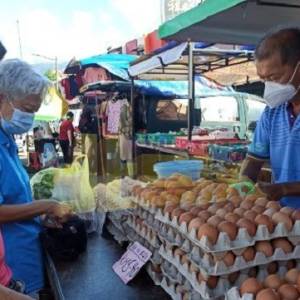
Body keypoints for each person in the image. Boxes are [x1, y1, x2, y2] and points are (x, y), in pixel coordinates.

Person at [0, 59, 72, 296]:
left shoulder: (6, 141)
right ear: (2, 97)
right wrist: (46, 206)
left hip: (28, 256)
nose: (30, 119)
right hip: (12, 268)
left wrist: (40, 217)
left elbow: (15, 199)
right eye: (28, 109)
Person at [240, 27, 300, 207]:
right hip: (283, 218)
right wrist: (244, 182)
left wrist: (283, 189)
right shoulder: (272, 112)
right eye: (264, 79)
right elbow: (254, 158)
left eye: (274, 77)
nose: (269, 87)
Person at [118, 99, 133, 177]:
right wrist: (129, 133)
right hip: (125, 135)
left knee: (127, 156)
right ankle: (125, 175)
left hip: (127, 135)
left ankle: (128, 175)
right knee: (126, 156)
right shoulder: (125, 108)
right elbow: (124, 123)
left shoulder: (129, 107)